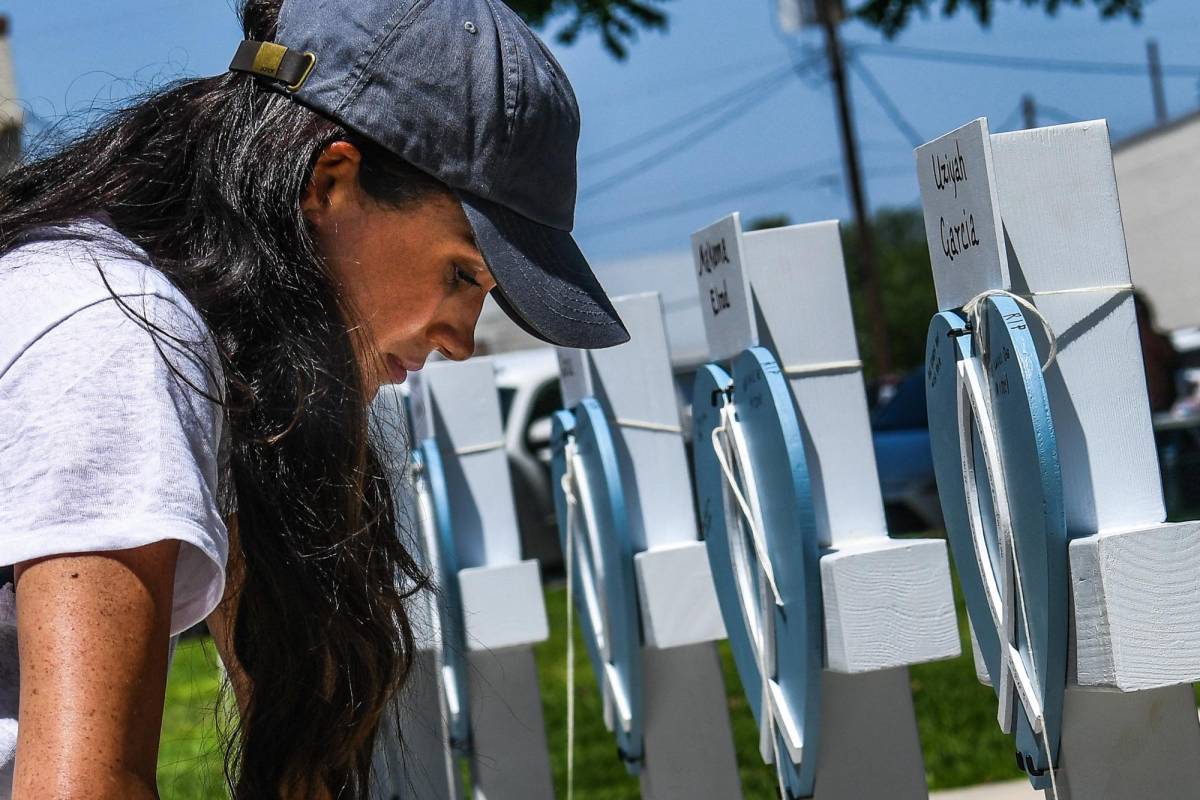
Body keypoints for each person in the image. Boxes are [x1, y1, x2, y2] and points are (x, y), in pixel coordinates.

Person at [0, 0, 628, 797]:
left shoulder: (215, 355)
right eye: (463, 274)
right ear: (329, 183)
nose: (461, 339)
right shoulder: (118, 333)